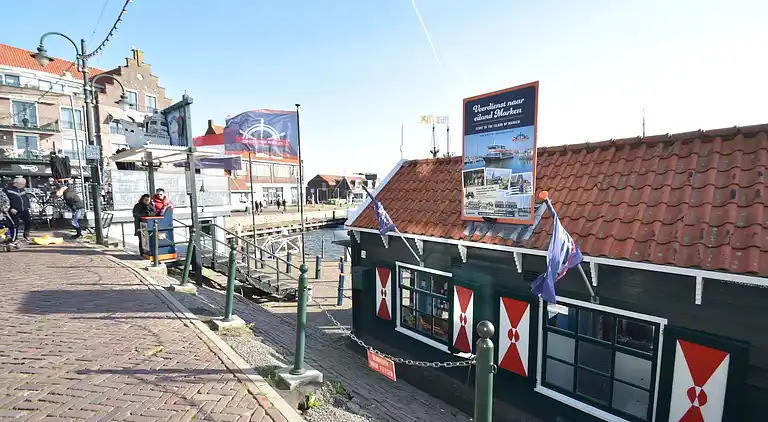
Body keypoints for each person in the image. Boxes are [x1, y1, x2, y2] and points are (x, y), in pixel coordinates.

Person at [3, 177, 32, 242]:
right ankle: (14, 238)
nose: (24, 185)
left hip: (24, 209)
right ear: (17, 183)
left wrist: (27, 206)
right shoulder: (7, 190)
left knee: (29, 222)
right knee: (15, 225)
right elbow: (4, 201)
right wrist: (10, 208)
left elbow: (25, 199)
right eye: (22, 184)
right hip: (13, 210)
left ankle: (26, 235)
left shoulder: (22, 189)